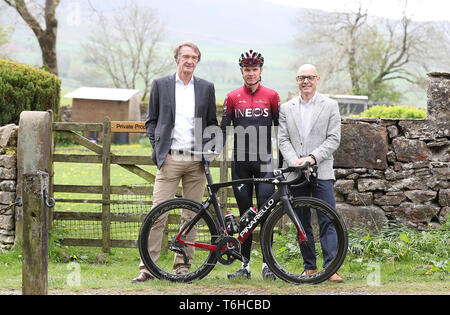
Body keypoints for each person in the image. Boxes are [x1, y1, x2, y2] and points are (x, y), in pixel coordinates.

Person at [132, 42, 218, 282]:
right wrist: (160, 148)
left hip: (196, 161)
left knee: (190, 215)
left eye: (194, 57)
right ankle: (147, 267)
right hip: (170, 159)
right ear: (177, 59)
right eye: (185, 57)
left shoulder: (206, 88)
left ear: (198, 61)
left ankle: (183, 265)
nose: (189, 61)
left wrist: (211, 147)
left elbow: (212, 122)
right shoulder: (161, 85)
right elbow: (151, 121)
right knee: (157, 213)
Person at [278, 64, 343, 282]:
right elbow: (283, 139)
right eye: (302, 78)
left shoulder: (331, 105)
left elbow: (334, 139)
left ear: (317, 79)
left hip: (321, 170)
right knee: (301, 221)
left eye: (310, 77)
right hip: (296, 172)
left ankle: (331, 268)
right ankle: (310, 268)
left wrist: (312, 158)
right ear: (297, 80)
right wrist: (295, 161)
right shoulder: (286, 108)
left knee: (327, 219)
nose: (306, 81)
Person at [220, 49, 280, 280]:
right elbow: (224, 129)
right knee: (246, 216)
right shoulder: (233, 97)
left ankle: (268, 264)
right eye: (247, 70)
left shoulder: (272, 96)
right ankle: (244, 267)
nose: (251, 73)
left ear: (261, 70)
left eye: (255, 69)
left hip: (265, 161)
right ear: (242, 71)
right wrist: (213, 148)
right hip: (241, 163)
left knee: (266, 214)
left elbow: (280, 130)